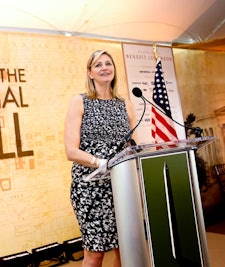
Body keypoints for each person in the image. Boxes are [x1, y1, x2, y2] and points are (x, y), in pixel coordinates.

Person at [64, 50, 133, 267]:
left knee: (126, 248)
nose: (104, 68)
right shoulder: (80, 101)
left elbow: (137, 145)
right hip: (90, 188)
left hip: (121, 186)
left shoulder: (126, 104)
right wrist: (100, 162)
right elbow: (71, 151)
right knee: (95, 253)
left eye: (108, 63)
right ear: (90, 73)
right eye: (98, 65)